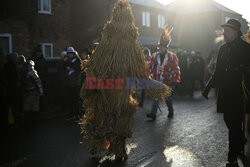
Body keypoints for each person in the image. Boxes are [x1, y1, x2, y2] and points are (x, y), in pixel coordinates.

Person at [202, 19, 250, 167]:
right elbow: (217, 72)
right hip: (225, 93)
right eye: (224, 31)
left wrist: (243, 69)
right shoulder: (222, 49)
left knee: (235, 124)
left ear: (235, 32)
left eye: (227, 31)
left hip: (240, 92)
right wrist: (208, 87)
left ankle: (232, 157)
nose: (224, 33)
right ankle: (240, 142)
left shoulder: (246, 48)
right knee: (230, 122)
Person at [146, 26, 181, 120]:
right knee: (156, 97)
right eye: (159, 47)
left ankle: (171, 110)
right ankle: (153, 114)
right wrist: (145, 71)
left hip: (167, 82)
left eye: (162, 47)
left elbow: (176, 69)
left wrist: (174, 80)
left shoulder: (172, 57)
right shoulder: (155, 56)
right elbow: (150, 66)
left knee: (167, 99)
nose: (160, 48)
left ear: (166, 48)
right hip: (157, 81)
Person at [16, 55, 43, 128]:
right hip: (26, 91)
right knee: (27, 108)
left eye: (20, 64)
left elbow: (38, 81)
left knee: (34, 107)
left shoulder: (30, 71)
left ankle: (33, 123)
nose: (19, 66)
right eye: (18, 64)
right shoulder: (20, 71)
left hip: (34, 91)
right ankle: (28, 123)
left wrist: (40, 91)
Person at [64, 47, 81, 122]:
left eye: (71, 53)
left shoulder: (77, 60)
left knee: (75, 100)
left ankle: (77, 115)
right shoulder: (67, 61)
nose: (69, 55)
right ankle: (71, 114)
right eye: (68, 54)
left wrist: (68, 62)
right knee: (69, 100)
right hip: (68, 84)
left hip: (75, 84)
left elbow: (77, 69)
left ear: (73, 54)